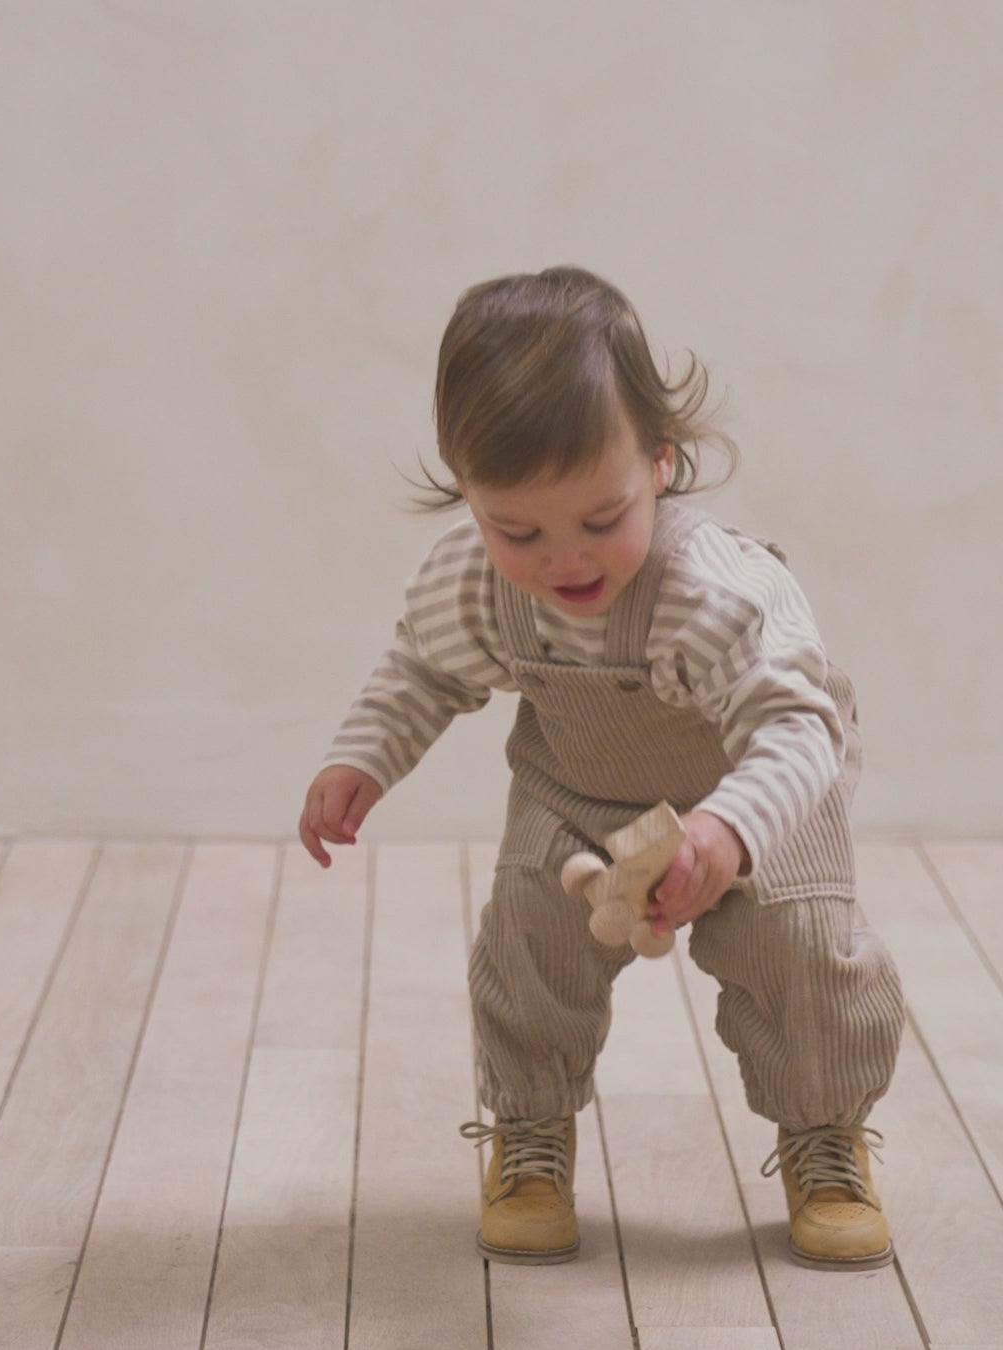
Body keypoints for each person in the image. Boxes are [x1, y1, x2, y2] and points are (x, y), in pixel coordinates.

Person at [299, 266, 904, 1271]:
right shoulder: (473, 583)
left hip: (752, 795)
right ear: (466, 490)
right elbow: (420, 670)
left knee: (805, 955)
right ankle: (531, 1135)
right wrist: (363, 757)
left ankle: (825, 1134)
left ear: (661, 464)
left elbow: (799, 731)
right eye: (517, 530)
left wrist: (726, 833)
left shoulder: (712, 593)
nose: (564, 561)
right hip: (576, 796)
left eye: (600, 519)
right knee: (529, 942)